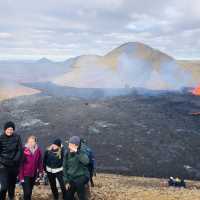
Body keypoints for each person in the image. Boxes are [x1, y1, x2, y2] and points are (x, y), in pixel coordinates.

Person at [0, 121, 23, 200]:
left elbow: (20, 150)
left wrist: (15, 160)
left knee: (11, 186)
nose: (9, 131)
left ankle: (11, 198)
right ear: (5, 129)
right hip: (3, 166)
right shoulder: (0, 138)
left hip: (14, 165)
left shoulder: (17, 137)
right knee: (4, 187)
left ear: (13, 130)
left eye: (11, 129)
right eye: (8, 129)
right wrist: (5, 162)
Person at [63, 136, 90, 200]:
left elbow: (86, 161)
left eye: (72, 145)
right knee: (68, 197)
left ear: (77, 145)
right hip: (71, 178)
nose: (69, 146)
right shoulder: (67, 153)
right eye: (69, 144)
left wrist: (77, 152)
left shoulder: (81, 152)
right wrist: (66, 181)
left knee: (81, 195)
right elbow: (64, 167)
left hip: (81, 177)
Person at [18, 135, 43, 200]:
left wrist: (40, 171)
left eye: (32, 142)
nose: (30, 143)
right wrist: (21, 177)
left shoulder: (38, 150)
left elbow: (39, 162)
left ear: (35, 142)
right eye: (29, 142)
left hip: (33, 174)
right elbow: (20, 165)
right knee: (27, 192)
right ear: (27, 142)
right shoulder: (24, 150)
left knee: (29, 192)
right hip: (25, 175)